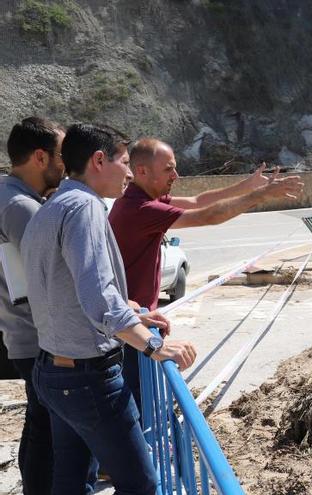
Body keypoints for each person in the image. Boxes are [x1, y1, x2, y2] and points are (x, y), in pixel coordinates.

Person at [21, 123, 197, 495]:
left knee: (70, 482)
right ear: (99, 161)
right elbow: (99, 299)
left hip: (52, 371)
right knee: (140, 484)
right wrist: (153, 346)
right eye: (124, 162)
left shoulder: (53, 206)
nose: (130, 173)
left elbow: (65, 288)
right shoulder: (85, 207)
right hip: (87, 379)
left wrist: (132, 310)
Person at [109, 138, 304, 407]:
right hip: (131, 328)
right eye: (168, 169)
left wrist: (246, 186)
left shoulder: (140, 198)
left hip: (136, 320)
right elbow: (206, 215)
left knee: (141, 402)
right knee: (139, 406)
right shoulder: (140, 208)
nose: (175, 176)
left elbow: (196, 200)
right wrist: (259, 196)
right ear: (141, 171)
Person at [0, 117, 66, 495]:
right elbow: (55, 272)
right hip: (38, 338)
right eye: (61, 155)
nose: (66, 164)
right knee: (50, 430)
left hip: (25, 336)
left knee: (41, 424)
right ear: (41, 157)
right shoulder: (20, 206)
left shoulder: (12, 196)